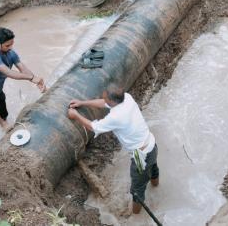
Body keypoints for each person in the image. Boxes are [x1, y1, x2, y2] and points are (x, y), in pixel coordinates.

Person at [67, 84, 159, 214]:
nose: (103, 100)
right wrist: (82, 103)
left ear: (112, 101)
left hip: (141, 156)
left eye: (105, 98)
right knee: (153, 168)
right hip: (151, 143)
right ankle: (156, 186)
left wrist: (75, 115)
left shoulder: (115, 117)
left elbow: (93, 127)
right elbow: (103, 103)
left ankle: (136, 216)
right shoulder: (126, 98)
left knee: (137, 191)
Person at [0, 27, 46, 131]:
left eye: (12, 44)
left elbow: (22, 68)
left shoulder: (11, 53)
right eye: (7, 45)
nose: (10, 47)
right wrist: (32, 77)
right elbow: (9, 73)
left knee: (4, 116)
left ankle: (3, 122)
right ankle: (2, 124)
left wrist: (36, 81)